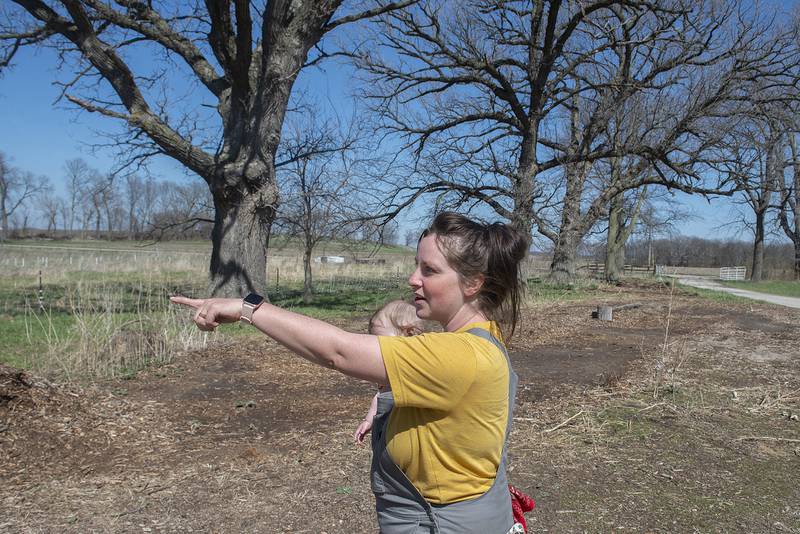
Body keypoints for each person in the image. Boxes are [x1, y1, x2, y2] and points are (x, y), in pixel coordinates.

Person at [171, 211, 528, 534]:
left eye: (429, 270)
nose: (412, 278)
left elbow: (337, 351)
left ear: (473, 284)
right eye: (416, 265)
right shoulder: (477, 340)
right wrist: (392, 403)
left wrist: (247, 308)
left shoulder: (458, 354)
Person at [354, 300, 426, 445]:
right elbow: (379, 396)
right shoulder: (387, 372)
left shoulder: (421, 370)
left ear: (410, 334)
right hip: (383, 436)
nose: (380, 350)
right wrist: (368, 420)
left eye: (384, 343)